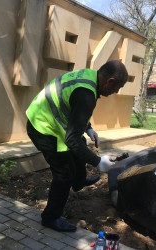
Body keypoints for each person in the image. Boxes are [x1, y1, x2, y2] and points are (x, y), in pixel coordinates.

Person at [26, 60, 128, 232]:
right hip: (41, 127)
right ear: (110, 81)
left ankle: (79, 181)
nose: (116, 92)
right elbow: (70, 140)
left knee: (80, 142)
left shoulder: (89, 76)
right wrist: (98, 161)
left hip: (48, 119)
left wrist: (88, 128)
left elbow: (74, 107)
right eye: (118, 87)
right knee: (63, 173)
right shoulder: (86, 94)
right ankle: (50, 217)